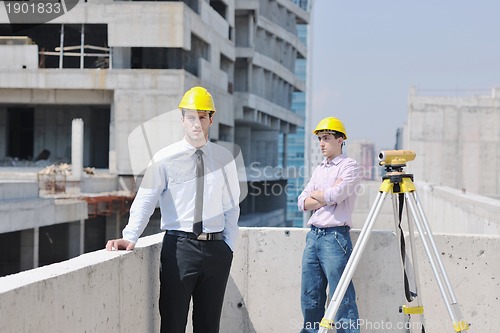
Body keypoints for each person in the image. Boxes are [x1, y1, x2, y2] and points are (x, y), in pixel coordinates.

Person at [106, 86, 241, 333]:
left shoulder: (224, 159)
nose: (196, 123)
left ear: (211, 119)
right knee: (172, 324)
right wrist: (129, 236)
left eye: (202, 117)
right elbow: (146, 199)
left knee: (209, 326)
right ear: (182, 120)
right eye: (191, 117)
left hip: (216, 251)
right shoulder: (164, 158)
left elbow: (231, 207)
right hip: (179, 249)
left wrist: (228, 246)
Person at [297, 117, 361, 333]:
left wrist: (322, 195)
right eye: (319, 139)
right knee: (310, 296)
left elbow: (338, 193)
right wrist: (325, 195)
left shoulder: (349, 166)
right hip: (313, 237)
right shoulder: (320, 170)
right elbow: (302, 201)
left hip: (335, 237)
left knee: (341, 298)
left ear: (340, 139)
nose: (321, 143)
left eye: (326, 138)